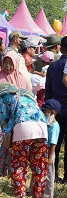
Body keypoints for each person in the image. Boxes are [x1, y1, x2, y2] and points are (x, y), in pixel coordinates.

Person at [0, 82, 48, 198]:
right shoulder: (25, 95)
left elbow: (1, 117)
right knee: (39, 165)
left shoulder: (3, 97)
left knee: (18, 165)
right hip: (42, 127)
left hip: (23, 128)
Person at [0, 52, 32, 181]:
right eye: (5, 63)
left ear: (15, 64)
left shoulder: (22, 79)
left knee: (12, 146)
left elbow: (28, 99)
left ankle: (7, 171)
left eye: (10, 63)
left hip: (15, 120)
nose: (8, 66)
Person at [45, 36, 67, 182]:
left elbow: (48, 91)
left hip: (55, 110)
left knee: (54, 143)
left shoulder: (52, 67)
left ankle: (51, 176)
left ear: (60, 47)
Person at [41, 99, 61, 198]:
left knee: (49, 173)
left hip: (49, 151)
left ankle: (48, 195)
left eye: (46, 111)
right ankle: (37, 190)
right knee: (41, 171)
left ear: (52, 112)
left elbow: (53, 144)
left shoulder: (54, 126)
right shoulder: (47, 124)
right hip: (43, 150)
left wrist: (50, 157)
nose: (44, 113)